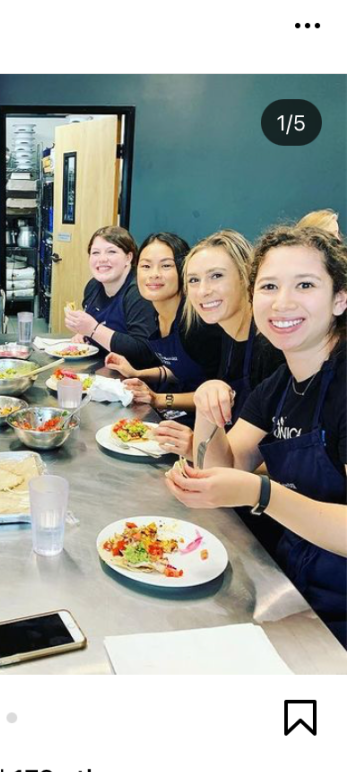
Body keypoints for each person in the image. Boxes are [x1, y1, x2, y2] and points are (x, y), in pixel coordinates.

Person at [166, 225, 347, 645]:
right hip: (298, 583)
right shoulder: (282, 383)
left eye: (305, 285)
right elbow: (224, 465)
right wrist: (208, 410)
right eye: (268, 286)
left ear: (340, 298)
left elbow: (247, 483)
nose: (282, 302)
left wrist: (262, 493)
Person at [103, 232, 221, 453]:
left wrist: (160, 399)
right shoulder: (156, 314)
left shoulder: (197, 323)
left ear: (183, 271)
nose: (154, 274)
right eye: (146, 266)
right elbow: (184, 368)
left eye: (166, 266)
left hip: (209, 429)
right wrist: (138, 372)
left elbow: (218, 392)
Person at [180, 230, 284, 430]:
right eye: (193, 280)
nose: (203, 291)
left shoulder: (273, 347)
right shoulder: (224, 333)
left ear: (245, 276)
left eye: (216, 276)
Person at [63, 226, 157, 363]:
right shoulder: (93, 286)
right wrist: (83, 333)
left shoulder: (139, 292)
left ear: (128, 258)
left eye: (111, 252)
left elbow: (143, 351)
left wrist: (93, 329)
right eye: (95, 253)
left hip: (134, 373)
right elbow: (98, 331)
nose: (102, 259)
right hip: (101, 365)